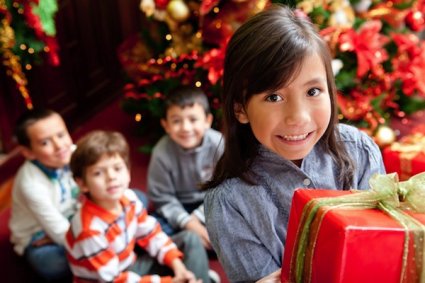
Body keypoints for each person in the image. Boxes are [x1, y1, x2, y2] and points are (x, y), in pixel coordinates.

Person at [202, 4, 386, 283]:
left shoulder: (359, 150)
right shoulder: (229, 204)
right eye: (274, 97)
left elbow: (385, 244)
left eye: (313, 91)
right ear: (240, 108)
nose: (298, 118)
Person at [65, 130, 210, 282]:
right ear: (82, 183)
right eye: (98, 173)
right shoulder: (89, 230)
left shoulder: (129, 198)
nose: (111, 177)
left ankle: (194, 276)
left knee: (190, 239)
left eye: (117, 168)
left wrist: (178, 267)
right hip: (112, 279)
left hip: (131, 265)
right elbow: (114, 280)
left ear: (128, 173)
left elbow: (150, 234)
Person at [147, 86, 224, 251]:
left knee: (239, 216)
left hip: (213, 202)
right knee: (151, 229)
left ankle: (197, 243)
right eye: (176, 121)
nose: (185, 128)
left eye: (193, 119)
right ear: (166, 125)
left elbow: (226, 187)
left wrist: (198, 218)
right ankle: (200, 242)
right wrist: (188, 223)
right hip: (180, 205)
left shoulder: (219, 143)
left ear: (207, 121)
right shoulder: (161, 152)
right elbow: (162, 197)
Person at [9, 108, 78, 281]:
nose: (60, 146)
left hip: (72, 218)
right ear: (28, 152)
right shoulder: (30, 184)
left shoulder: (73, 153)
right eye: (45, 142)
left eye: (61, 135)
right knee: (52, 264)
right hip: (38, 233)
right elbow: (60, 232)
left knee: (137, 198)